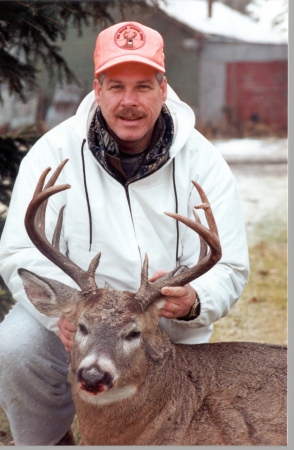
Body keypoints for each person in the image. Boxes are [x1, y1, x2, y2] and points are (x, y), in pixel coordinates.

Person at [0, 21, 249, 445]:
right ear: (97, 90)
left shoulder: (203, 163)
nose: (128, 102)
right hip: (80, 319)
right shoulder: (53, 153)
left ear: (163, 89)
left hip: (160, 329)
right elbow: (21, 252)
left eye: (143, 87)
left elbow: (229, 265)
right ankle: (48, 441)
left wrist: (194, 300)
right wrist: (58, 314)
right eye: (116, 86)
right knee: (17, 348)